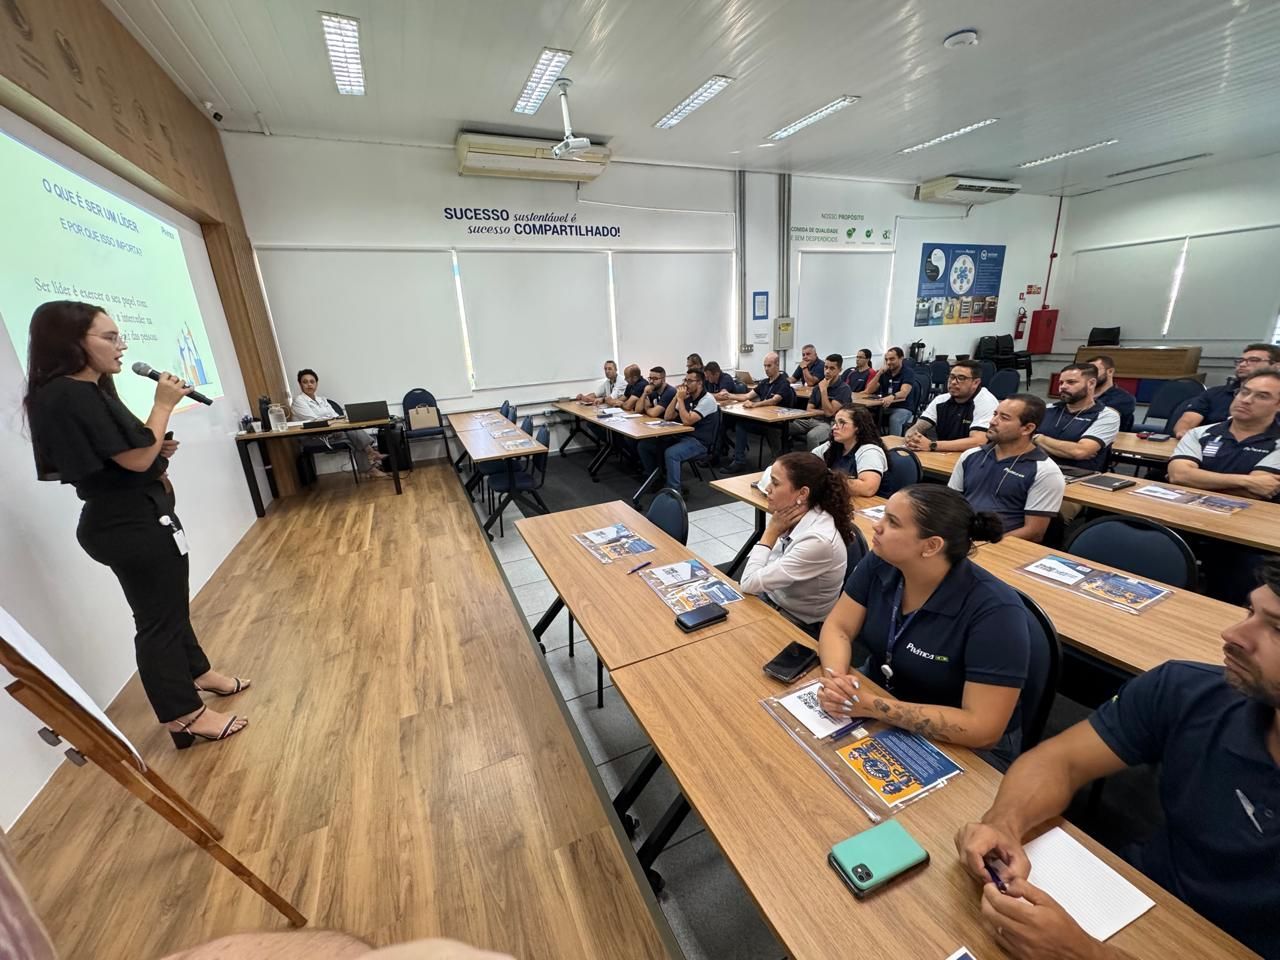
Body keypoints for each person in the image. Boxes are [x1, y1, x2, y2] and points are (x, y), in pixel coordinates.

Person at [953, 558, 1280, 960]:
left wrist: (1085, 955)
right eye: (1250, 612)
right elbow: (1060, 761)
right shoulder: (1190, 690)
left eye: (1276, 629)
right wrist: (1005, 822)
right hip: (1139, 902)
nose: (1233, 634)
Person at [23, 301, 249, 749]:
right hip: (128, 525)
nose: (121, 345)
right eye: (109, 337)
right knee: (158, 622)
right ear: (71, 343)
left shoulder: (85, 390)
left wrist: (154, 451)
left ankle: (199, 673)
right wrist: (163, 406)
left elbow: (121, 457)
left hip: (135, 516)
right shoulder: (70, 393)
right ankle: (184, 716)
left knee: (167, 608)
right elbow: (135, 456)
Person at [818, 485, 1031, 767]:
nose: (876, 526)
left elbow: (983, 729)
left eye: (892, 522)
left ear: (931, 546)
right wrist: (837, 681)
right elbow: (839, 627)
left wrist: (872, 706)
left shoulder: (996, 612)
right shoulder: (881, 561)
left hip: (962, 745)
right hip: (878, 698)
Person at [740, 452, 856, 637]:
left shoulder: (818, 540)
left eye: (775, 483)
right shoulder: (795, 515)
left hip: (798, 622)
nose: (767, 489)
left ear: (803, 493)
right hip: (772, 598)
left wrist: (770, 533)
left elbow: (748, 582)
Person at [948, 395, 1065, 543]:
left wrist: (982, 544)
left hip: (1000, 545)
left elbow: (1034, 532)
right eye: (995, 414)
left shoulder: (1045, 471)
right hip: (960, 537)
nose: (993, 421)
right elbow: (951, 504)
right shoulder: (970, 455)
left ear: (1027, 428)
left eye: (1004, 418)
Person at [1167, 368, 1280, 501]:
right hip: (1186, 509)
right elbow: (1179, 475)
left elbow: (1257, 492)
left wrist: (1195, 479)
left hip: (1251, 517)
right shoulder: (1199, 433)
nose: (1246, 400)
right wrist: (1246, 481)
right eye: (1244, 392)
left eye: (1262, 396)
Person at [291, 369, 391, 480]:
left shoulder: (322, 400)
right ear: (300, 384)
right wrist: (331, 420)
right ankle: (370, 454)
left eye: (312, 381)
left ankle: (369, 466)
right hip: (314, 436)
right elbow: (315, 420)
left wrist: (332, 421)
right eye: (305, 382)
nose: (309, 384)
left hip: (331, 432)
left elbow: (335, 416)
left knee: (353, 438)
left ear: (316, 383)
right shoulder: (299, 401)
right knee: (353, 435)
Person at [638, 367, 720, 491]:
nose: (685, 384)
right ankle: (656, 480)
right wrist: (677, 397)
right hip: (681, 436)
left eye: (689, 381)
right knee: (644, 446)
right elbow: (668, 416)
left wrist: (681, 400)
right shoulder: (687, 397)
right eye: (685, 380)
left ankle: (674, 491)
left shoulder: (707, 400)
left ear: (699, 383)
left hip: (699, 441)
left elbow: (688, 421)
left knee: (672, 454)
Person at [1173, 343, 1280, 437]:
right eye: (1241, 360)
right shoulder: (1214, 393)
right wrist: (1186, 436)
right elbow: (1188, 420)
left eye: (1253, 360)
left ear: (1277, 366)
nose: (1242, 364)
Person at [1033, 363, 1120, 472]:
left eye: (1071, 382)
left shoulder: (1106, 416)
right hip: (1037, 470)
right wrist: (1067, 449)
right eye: (1061, 382)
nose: (1063, 386)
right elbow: (1017, 440)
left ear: (1091, 383)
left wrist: (1037, 438)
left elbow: (1080, 452)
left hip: (1077, 476)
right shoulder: (1047, 409)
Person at [905, 359, 997, 454]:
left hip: (976, 459)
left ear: (976, 383)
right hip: (945, 454)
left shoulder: (986, 402)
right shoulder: (940, 400)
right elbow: (919, 427)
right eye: (951, 377)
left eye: (961, 378)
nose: (953, 382)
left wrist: (932, 445)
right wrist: (911, 437)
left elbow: (978, 442)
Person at [725, 352, 795, 472]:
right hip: (763, 420)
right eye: (765, 366)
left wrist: (754, 404)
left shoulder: (783, 383)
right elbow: (747, 395)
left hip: (778, 423)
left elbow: (774, 400)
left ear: (777, 365)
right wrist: (729, 395)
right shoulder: (764, 382)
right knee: (741, 424)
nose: (766, 369)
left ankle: (778, 464)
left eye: (769, 366)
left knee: (772, 435)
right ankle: (739, 461)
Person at [812, 405, 887, 497]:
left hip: (866, 505)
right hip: (842, 499)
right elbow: (809, 464)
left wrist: (826, 480)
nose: (834, 427)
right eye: (834, 422)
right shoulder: (834, 445)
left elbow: (868, 488)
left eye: (842, 423)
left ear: (858, 427)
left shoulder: (870, 451)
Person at [792, 353, 853, 449]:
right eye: (826, 367)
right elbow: (809, 409)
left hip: (830, 424)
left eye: (832, 368)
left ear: (839, 371)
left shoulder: (844, 389)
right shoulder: (818, 386)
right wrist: (823, 412)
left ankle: (814, 463)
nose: (827, 371)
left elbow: (829, 414)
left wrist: (824, 390)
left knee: (812, 436)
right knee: (785, 427)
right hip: (812, 420)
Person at [859, 346, 915, 436]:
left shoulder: (908, 372)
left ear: (901, 359)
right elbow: (868, 391)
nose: (888, 362)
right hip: (884, 406)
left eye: (892, 359)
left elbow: (904, 392)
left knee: (895, 419)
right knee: (863, 415)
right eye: (886, 359)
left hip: (903, 407)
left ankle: (894, 446)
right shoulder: (885, 373)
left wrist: (892, 396)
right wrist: (879, 373)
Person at [1085, 353, 1136, 432]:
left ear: (1110, 371)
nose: (1090, 375)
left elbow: (1096, 420)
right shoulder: (1081, 394)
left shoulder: (1124, 399)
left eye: (1095, 371)